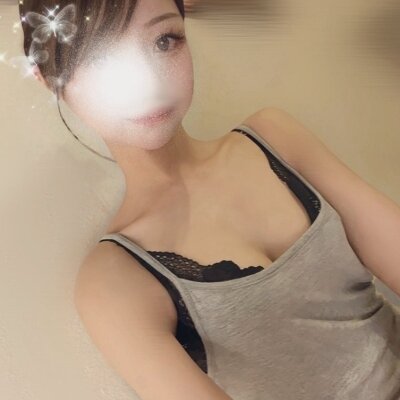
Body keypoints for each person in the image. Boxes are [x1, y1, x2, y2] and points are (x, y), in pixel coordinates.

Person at [19, 1, 400, 399]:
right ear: (49, 79)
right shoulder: (114, 279)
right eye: (101, 57)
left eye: (164, 41)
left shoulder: (274, 138)